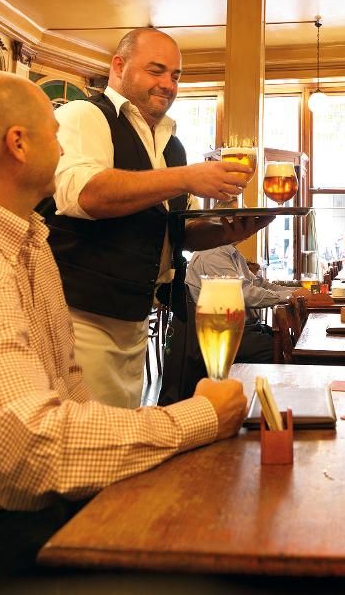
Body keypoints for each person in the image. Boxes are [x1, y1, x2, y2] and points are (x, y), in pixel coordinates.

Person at [0, 70, 246, 590]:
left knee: (195, 535)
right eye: (55, 132)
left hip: (11, 515)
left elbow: (68, 394)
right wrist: (195, 420)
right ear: (18, 144)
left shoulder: (28, 243)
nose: (64, 146)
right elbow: (34, 455)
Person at [43, 28, 271, 408]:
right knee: (91, 440)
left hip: (138, 319)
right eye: (156, 70)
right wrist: (186, 177)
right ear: (119, 65)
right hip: (80, 318)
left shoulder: (171, 143)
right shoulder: (85, 114)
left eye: (176, 75)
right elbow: (84, 194)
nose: (168, 84)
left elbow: (171, 231)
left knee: (125, 433)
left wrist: (222, 231)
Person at [187, 244, 295, 365]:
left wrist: (295, 293)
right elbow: (243, 294)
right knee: (284, 350)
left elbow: (259, 284)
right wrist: (289, 296)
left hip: (241, 328)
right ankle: (250, 382)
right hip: (223, 332)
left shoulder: (230, 252)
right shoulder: (213, 254)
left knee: (290, 342)